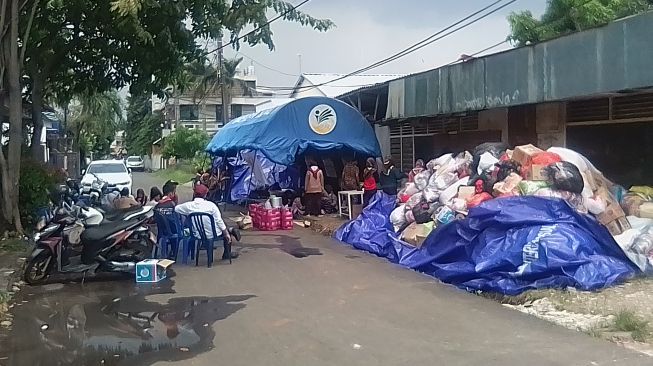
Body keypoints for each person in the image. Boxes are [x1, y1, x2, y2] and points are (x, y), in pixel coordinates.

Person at [175, 184, 240, 260]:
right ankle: (227, 252)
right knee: (224, 230)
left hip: (198, 234)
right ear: (205, 195)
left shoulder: (189, 206)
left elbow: (176, 208)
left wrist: (188, 214)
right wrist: (226, 233)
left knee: (221, 228)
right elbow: (219, 221)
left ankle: (230, 230)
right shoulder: (211, 205)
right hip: (213, 234)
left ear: (194, 194)